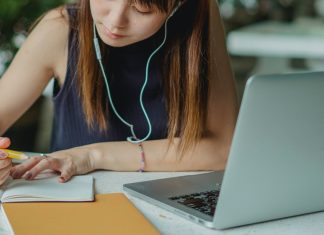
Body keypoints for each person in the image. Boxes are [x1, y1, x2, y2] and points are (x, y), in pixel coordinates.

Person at [0, 0, 238, 185]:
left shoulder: (198, 17)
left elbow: (222, 150)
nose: (115, 22)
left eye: (142, 9)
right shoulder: (60, 29)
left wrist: (93, 156)